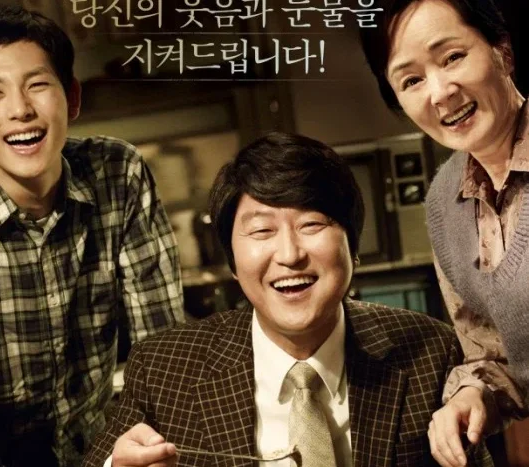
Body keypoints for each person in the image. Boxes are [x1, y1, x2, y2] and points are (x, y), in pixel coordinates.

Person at [0, 4, 184, 466]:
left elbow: (162, 347)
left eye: (37, 85)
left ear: (73, 98)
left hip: (100, 450)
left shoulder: (118, 174)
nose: (20, 110)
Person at [81, 132, 493, 467]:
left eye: (311, 224)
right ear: (233, 261)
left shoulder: (431, 352)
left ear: (353, 247)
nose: (290, 254)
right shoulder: (163, 368)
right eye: (262, 231)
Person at [360, 0, 529, 465]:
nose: (439, 92)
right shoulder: (444, 201)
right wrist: (474, 395)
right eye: (411, 80)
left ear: (502, 51)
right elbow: (494, 354)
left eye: (452, 57)